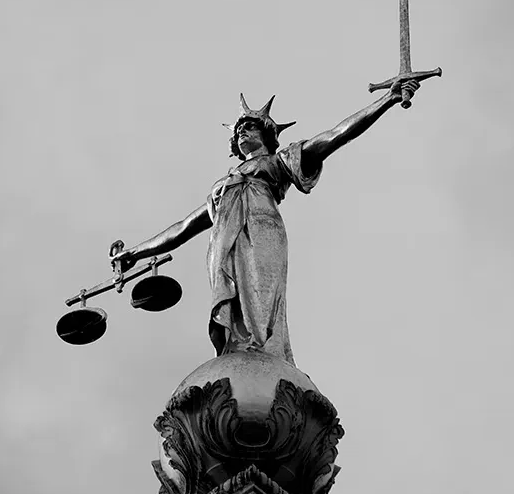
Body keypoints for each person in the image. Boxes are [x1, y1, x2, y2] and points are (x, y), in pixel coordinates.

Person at [111, 80, 419, 365]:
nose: (243, 132)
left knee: (262, 297)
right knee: (233, 301)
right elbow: (182, 228)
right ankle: (238, 345)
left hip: (261, 231)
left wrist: (387, 99)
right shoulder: (222, 187)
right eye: (239, 129)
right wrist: (135, 253)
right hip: (223, 245)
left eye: (250, 128)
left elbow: (336, 135)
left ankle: (266, 349)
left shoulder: (276, 162)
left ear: (267, 136)